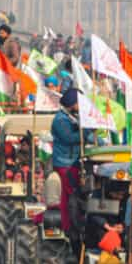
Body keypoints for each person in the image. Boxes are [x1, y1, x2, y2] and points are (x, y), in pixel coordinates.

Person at [51, 89, 93, 232]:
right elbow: (70, 138)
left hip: (74, 161)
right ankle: (71, 227)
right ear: (72, 103)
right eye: (79, 102)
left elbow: (85, 137)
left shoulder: (72, 117)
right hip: (65, 162)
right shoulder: (60, 120)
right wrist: (87, 130)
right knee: (71, 196)